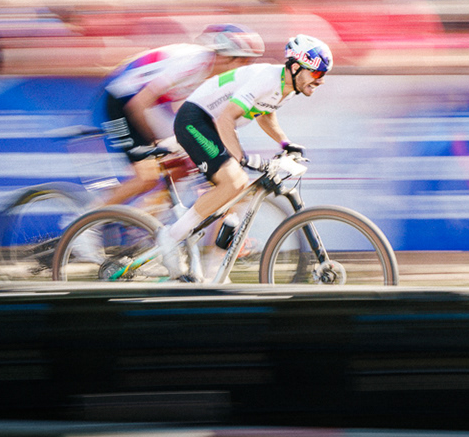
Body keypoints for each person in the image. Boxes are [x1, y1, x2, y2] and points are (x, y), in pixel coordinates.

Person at [111, 33, 332, 281]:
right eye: (315, 73)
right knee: (233, 180)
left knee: (238, 192)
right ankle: (170, 238)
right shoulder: (267, 78)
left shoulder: (286, 88)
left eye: (322, 76)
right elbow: (226, 117)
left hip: (210, 124)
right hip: (195, 120)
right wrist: (241, 157)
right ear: (294, 67)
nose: (319, 80)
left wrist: (285, 142)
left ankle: (210, 265)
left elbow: (265, 114)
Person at [94, 23, 263, 210]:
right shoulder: (193, 64)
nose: (247, 67)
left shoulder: (213, 75)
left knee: (179, 168)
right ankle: (83, 224)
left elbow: (199, 116)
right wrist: (154, 143)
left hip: (147, 105)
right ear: (225, 57)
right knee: (147, 177)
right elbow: (139, 104)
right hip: (121, 99)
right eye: (244, 61)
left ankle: (145, 223)